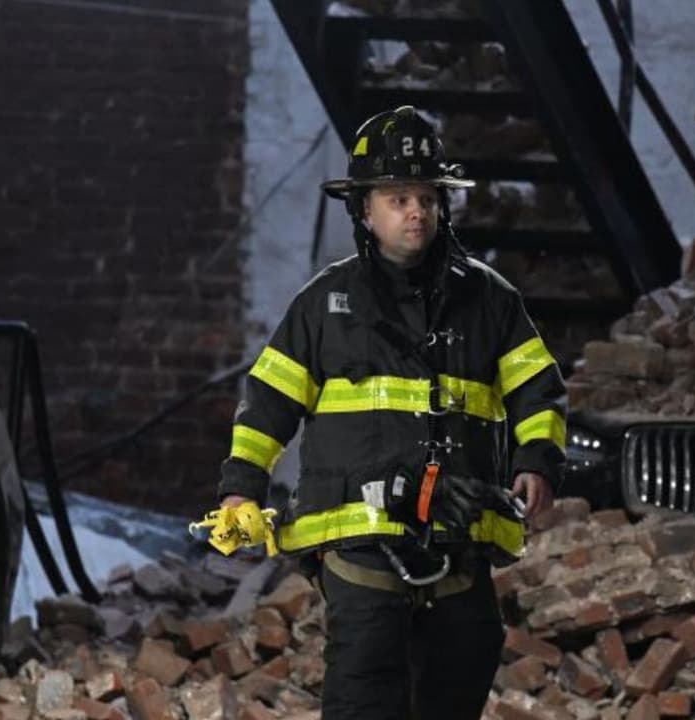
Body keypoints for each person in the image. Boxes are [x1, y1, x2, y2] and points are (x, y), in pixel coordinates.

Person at [216, 106, 566, 719]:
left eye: (426, 197)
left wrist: (538, 460)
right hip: (362, 551)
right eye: (398, 198)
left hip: (460, 541)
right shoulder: (326, 305)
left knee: (461, 676)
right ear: (364, 210)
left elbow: (538, 388)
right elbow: (268, 401)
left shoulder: (488, 299)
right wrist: (241, 490)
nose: (416, 211)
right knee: (365, 698)